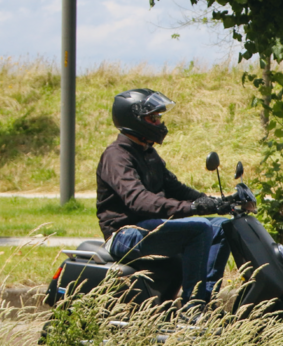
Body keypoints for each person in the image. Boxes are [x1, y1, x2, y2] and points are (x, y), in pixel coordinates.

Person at [96, 88, 231, 311]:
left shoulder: (148, 153)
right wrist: (192, 208)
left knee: (221, 226)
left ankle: (204, 298)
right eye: (153, 118)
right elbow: (139, 200)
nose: (159, 123)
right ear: (135, 119)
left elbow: (176, 188)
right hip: (124, 234)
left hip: (147, 229)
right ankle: (193, 309)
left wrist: (215, 202)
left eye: (159, 118)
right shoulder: (117, 156)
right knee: (199, 229)